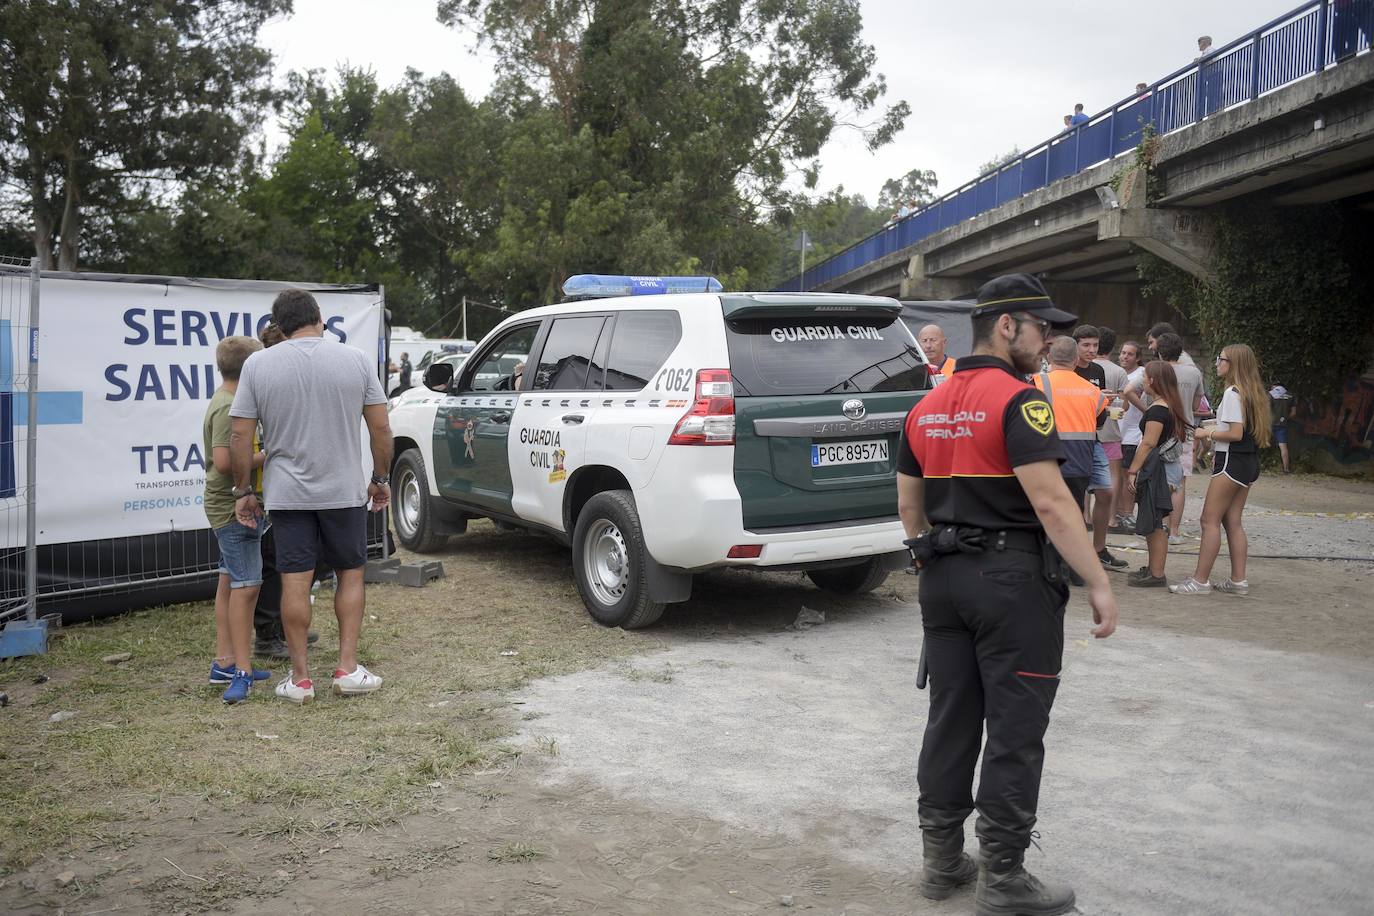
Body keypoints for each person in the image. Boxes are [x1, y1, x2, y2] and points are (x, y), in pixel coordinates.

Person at [897, 272, 1117, 916]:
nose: (1050, 338)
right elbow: (1051, 502)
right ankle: (1003, 878)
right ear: (1005, 326)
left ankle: (941, 863)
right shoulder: (1021, 402)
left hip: (941, 582)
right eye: (1040, 326)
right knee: (1016, 730)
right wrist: (1099, 581)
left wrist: (934, 560)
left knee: (950, 719)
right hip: (1012, 584)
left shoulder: (926, 403)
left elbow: (910, 509)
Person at [229, 289, 393, 705]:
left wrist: (244, 490)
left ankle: (301, 679)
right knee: (350, 574)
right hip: (342, 490)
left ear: (278, 327)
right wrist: (380, 478)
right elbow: (380, 430)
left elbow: (239, 435)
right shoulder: (354, 360)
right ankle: (347, 667)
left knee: (295, 582)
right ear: (320, 318)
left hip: (287, 494)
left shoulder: (257, 365)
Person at [1171, 344, 1272, 596]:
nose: (1217, 363)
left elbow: (1235, 434)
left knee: (1209, 520)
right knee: (1232, 521)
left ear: (1233, 363)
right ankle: (1238, 581)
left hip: (1231, 461)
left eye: (1221, 359)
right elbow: (1243, 430)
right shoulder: (1253, 393)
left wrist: (1208, 432)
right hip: (1248, 462)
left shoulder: (1232, 393)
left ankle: (1200, 581)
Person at [203, 335, 271, 703]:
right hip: (231, 508)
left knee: (229, 581)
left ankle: (226, 661)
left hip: (224, 505)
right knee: (247, 586)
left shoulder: (226, 399)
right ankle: (241, 671)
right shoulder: (230, 406)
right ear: (250, 371)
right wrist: (270, 454)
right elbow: (225, 461)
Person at [1125, 360, 1188, 588]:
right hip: (1166, 467)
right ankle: (1153, 568)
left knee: (1157, 520)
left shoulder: (1158, 410)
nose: (1143, 380)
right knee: (1155, 518)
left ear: (1153, 381)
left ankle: (1157, 573)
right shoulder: (1168, 405)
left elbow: (1148, 442)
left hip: (1160, 469)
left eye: (1145, 377)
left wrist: (1133, 470)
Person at [1071, 325, 1127, 570]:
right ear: (1075, 346)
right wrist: (1094, 398)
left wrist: (1105, 405)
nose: (1091, 350)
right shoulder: (1066, 370)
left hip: (1093, 439)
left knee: (1106, 492)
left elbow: (1100, 417)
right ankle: (1073, 552)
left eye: (1095, 345)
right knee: (1073, 498)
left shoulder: (1098, 370)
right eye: (1086, 345)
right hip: (1069, 442)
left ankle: (1099, 549)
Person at [1113, 340, 1145, 529]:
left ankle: (1128, 514)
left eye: (1129, 354)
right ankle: (1118, 512)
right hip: (1118, 431)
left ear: (1138, 358)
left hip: (1133, 433)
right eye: (1123, 353)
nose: (1124, 356)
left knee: (1128, 474)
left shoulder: (1140, 374)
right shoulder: (1119, 373)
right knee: (1116, 474)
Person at [1269, 384, 1293, 473]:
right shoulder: (1290, 395)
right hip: (1282, 425)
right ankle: (1286, 469)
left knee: (1260, 442)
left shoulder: (1270, 395)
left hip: (1269, 424)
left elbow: (1266, 410)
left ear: (1274, 386)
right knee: (1283, 447)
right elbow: (1293, 413)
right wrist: (1284, 419)